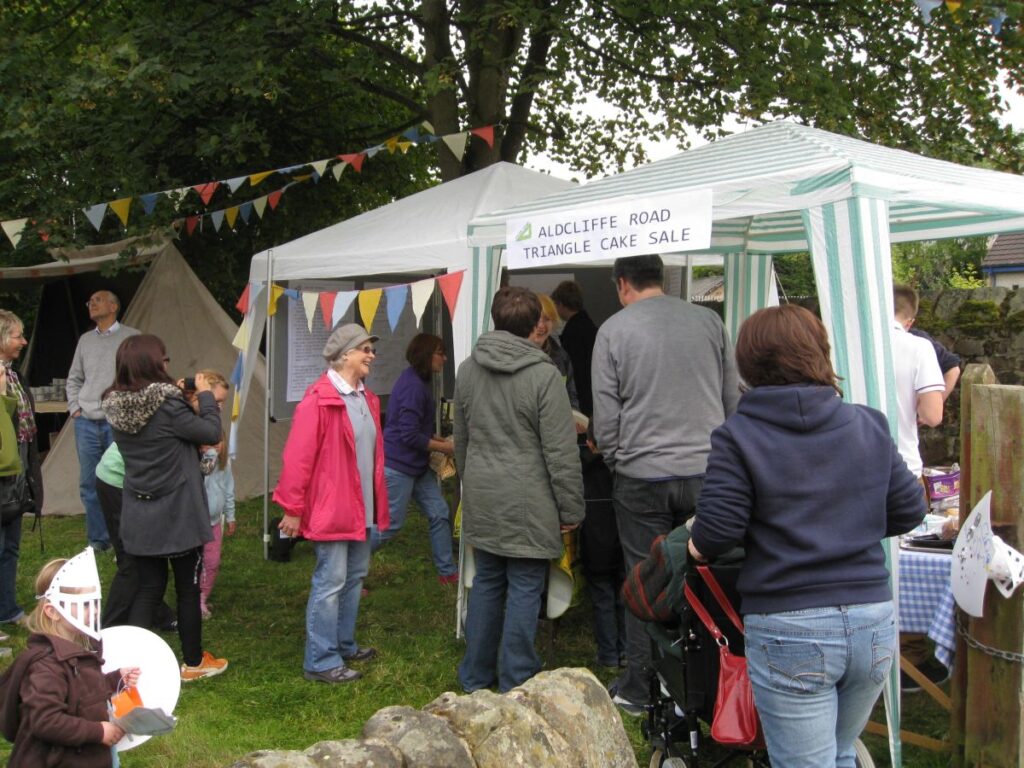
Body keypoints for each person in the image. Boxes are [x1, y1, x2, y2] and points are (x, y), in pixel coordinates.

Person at [687, 304, 927, 768]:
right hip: (871, 621)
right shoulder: (868, 422)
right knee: (838, 754)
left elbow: (717, 532)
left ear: (748, 364)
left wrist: (693, 548)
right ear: (820, 352)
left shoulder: (738, 435)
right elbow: (910, 509)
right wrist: (850, 523)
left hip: (790, 624)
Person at [591, 254, 739, 714]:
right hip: (706, 469)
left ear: (622, 284)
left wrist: (618, 459)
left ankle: (641, 688)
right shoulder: (710, 323)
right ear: (662, 278)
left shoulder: (613, 330)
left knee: (644, 579)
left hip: (641, 472)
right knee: (707, 577)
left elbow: (605, 412)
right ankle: (705, 683)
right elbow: (731, 396)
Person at [454, 286, 584, 693]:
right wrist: (571, 510)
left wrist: (469, 482)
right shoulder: (544, 375)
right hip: (529, 499)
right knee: (526, 585)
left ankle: (476, 677)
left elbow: (461, 439)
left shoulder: (467, 369)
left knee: (489, 581)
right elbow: (561, 452)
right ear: (534, 326)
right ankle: (516, 678)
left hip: (483, 492)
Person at [101, 334, 228, 682]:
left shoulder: (114, 405)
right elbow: (211, 430)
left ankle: (132, 668)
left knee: (148, 588)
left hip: (140, 510)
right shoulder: (167, 406)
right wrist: (203, 394)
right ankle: (193, 663)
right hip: (178, 512)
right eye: (164, 360)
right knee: (187, 589)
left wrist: (181, 398)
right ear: (153, 365)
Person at [274, 323, 388, 685]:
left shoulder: (365, 397)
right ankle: (321, 660)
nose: (371, 355)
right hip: (332, 508)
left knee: (353, 578)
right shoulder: (319, 399)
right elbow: (298, 458)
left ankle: (343, 644)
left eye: (371, 349)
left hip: (361, 508)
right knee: (331, 582)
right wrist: (292, 509)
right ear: (344, 355)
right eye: (365, 349)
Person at [6, 550, 140, 768]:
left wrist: (115, 680)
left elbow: (82, 693)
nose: (95, 611)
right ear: (53, 611)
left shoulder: (83, 646)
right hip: (58, 759)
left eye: (95, 603)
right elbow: (45, 720)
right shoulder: (46, 665)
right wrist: (98, 732)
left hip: (90, 754)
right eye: (86, 604)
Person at [371, 333, 457, 585]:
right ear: (426, 355)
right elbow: (409, 436)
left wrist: (439, 442)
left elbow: (415, 429)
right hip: (398, 466)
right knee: (390, 526)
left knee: (439, 513)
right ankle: (344, 565)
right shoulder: (412, 387)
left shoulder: (417, 382)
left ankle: (447, 572)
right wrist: (446, 449)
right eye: (440, 353)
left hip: (416, 466)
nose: (445, 358)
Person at [66, 291, 139, 551]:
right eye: (89, 301)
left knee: (121, 479)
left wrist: (127, 411)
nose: (91, 304)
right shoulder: (85, 340)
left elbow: (139, 377)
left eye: (97, 300)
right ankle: (99, 540)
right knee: (89, 482)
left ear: (114, 306)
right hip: (85, 421)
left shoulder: (132, 337)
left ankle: (125, 537)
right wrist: (75, 408)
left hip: (116, 420)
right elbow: (74, 378)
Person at [0, 311, 43, 629]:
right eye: (18, 335)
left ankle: (7, 609)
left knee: (11, 544)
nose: (24, 341)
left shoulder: (13, 375)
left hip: (16, 471)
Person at [891, 285, 945, 478]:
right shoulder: (919, 347)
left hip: (850, 467)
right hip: (901, 464)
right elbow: (932, 416)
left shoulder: (844, 345)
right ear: (910, 322)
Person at [200, 430, 235, 619]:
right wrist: (208, 457)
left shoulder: (225, 464)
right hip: (197, 523)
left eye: (217, 444)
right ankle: (196, 599)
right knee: (197, 563)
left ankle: (203, 596)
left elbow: (229, 490)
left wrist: (231, 516)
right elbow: (203, 472)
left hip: (214, 522)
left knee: (212, 562)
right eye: (208, 444)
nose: (213, 449)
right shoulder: (199, 464)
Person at [551, 280, 598, 416]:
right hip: (592, 393)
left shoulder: (572, 332)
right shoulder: (588, 324)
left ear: (560, 304)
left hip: (582, 397)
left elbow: (574, 371)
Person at [529, 293, 580, 412]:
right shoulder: (514, 355)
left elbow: (571, 396)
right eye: (536, 319)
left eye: (547, 319)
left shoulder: (561, 356)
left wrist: (575, 416)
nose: (541, 325)